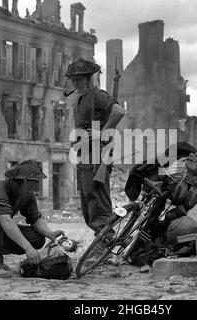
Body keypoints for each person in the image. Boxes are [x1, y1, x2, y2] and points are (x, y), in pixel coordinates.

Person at [0, 160, 64, 278]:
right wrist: (28, 248)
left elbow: (35, 219)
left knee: (37, 238)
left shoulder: (27, 194)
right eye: (33, 183)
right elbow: (6, 221)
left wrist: (50, 234)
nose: (35, 187)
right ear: (22, 181)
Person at [65, 57, 125, 237]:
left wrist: (102, 133)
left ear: (90, 78)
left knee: (97, 205)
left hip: (96, 157)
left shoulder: (97, 95)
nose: (76, 83)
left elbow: (118, 111)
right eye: (73, 80)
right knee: (89, 206)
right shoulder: (83, 99)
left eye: (80, 79)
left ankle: (105, 246)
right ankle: (102, 244)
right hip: (85, 157)